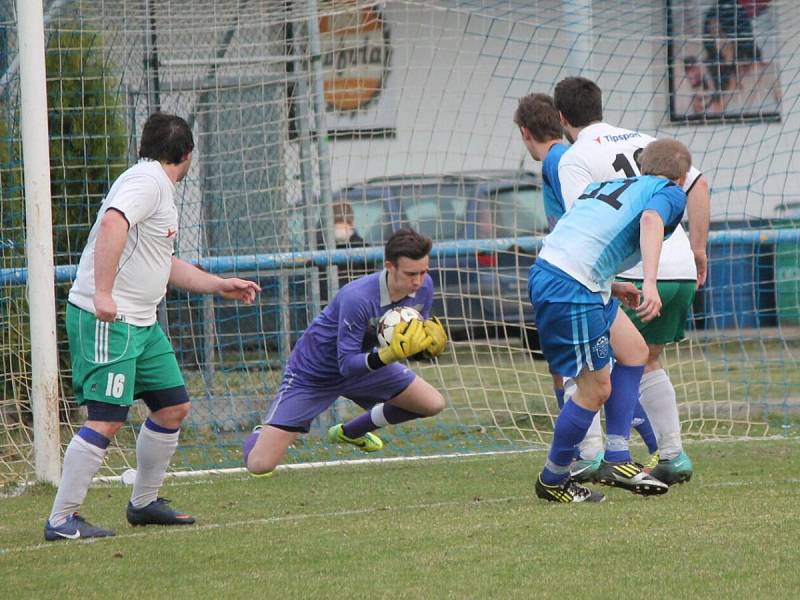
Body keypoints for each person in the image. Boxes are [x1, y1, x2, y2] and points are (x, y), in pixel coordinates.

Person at [44, 113, 261, 541]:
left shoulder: (156, 186)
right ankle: (60, 520)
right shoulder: (147, 183)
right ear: (187, 154)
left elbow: (163, 264)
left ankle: (143, 504)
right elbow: (112, 223)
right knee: (107, 419)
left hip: (143, 322)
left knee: (172, 407)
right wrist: (103, 293)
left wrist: (218, 285)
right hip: (111, 320)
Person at [554, 76, 711, 485]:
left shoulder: (575, 157)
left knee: (585, 366)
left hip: (633, 271)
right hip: (680, 268)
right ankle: (671, 454)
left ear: (562, 118)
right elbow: (699, 184)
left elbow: (584, 223)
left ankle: (591, 456)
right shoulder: (651, 141)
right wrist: (698, 248)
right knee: (645, 357)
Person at [531, 139, 692, 502]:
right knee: (595, 388)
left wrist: (614, 283)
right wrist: (648, 282)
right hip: (571, 286)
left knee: (635, 350)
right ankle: (553, 480)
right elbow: (651, 219)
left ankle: (617, 455)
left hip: (576, 278)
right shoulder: (669, 191)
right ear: (681, 178)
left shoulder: (606, 186)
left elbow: (580, 234)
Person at [514, 92, 660, 476]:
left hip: (576, 280)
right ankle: (606, 452)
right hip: (585, 278)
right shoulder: (562, 158)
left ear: (526, 132)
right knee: (606, 364)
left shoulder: (560, 160)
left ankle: (591, 455)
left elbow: (585, 226)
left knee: (601, 368)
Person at [243, 228, 448, 476]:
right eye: (410, 274)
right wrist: (387, 356)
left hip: (368, 366)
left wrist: (425, 350)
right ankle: (263, 432)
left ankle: (350, 432)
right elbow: (347, 365)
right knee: (260, 466)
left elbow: (408, 342)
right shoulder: (357, 297)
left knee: (432, 403)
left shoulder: (424, 287)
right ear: (389, 266)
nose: (417, 281)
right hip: (315, 372)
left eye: (423, 272)